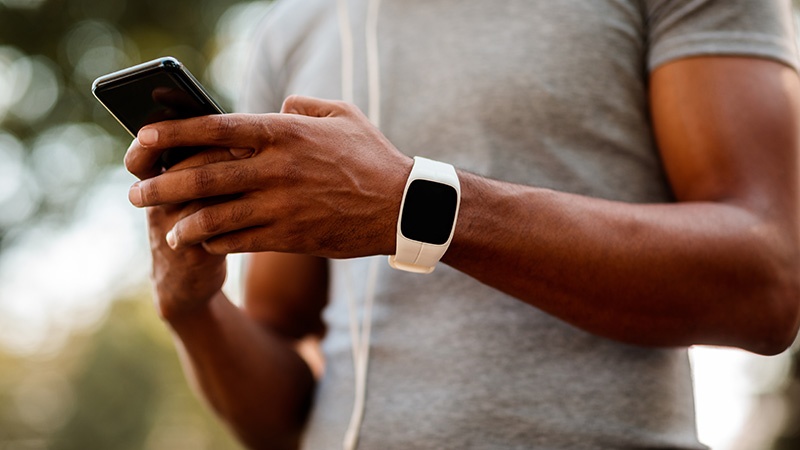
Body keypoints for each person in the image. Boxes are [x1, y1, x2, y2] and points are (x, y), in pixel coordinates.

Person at [124, 0, 800, 448]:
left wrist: (415, 204)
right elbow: (281, 411)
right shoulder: (287, 31)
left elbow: (767, 279)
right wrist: (194, 309)